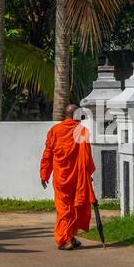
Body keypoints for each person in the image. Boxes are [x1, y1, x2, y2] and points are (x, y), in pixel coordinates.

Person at [40, 104, 96, 250]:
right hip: (77, 178)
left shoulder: (55, 131)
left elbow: (48, 154)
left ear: (65, 115)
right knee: (75, 208)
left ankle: (67, 239)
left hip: (61, 178)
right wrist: (87, 174)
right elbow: (87, 157)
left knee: (64, 209)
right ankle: (69, 238)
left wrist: (44, 173)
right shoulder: (82, 131)